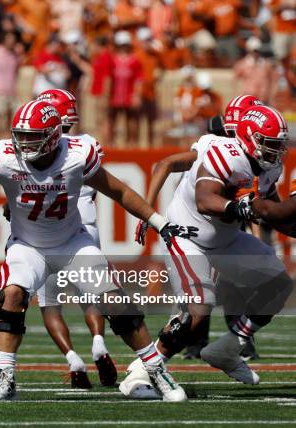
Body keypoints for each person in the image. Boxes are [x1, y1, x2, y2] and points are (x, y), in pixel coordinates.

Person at [0, 100, 199, 402]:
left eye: (31, 137)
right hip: (27, 245)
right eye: (20, 136)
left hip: (73, 243)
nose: (23, 144)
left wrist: (157, 220)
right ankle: (4, 379)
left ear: (52, 136)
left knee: (115, 302)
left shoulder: (77, 155)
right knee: (12, 296)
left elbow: (119, 191)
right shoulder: (5, 156)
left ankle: (156, 371)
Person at [124, 104, 291, 396]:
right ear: (248, 137)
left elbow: (274, 212)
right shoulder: (224, 153)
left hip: (225, 240)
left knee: (278, 285)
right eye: (269, 144)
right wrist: (238, 206)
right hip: (188, 236)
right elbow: (204, 199)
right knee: (198, 310)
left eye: (278, 145)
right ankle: (142, 370)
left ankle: (229, 348)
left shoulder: (270, 166)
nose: (275, 151)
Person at [33, 89, 117, 388]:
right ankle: (97, 342)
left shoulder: (39, 150)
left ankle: (72, 358)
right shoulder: (89, 145)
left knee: (50, 304)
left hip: (46, 231)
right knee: (91, 298)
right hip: (85, 231)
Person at [107, 31, 143, 147]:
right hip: (114, 95)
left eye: (125, 45)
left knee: (131, 120)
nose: (123, 48)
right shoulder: (112, 59)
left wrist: (136, 95)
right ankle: (110, 145)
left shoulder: (135, 60)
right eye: (121, 45)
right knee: (111, 119)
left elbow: (138, 79)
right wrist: (106, 95)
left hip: (129, 95)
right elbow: (108, 78)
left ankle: (132, 144)